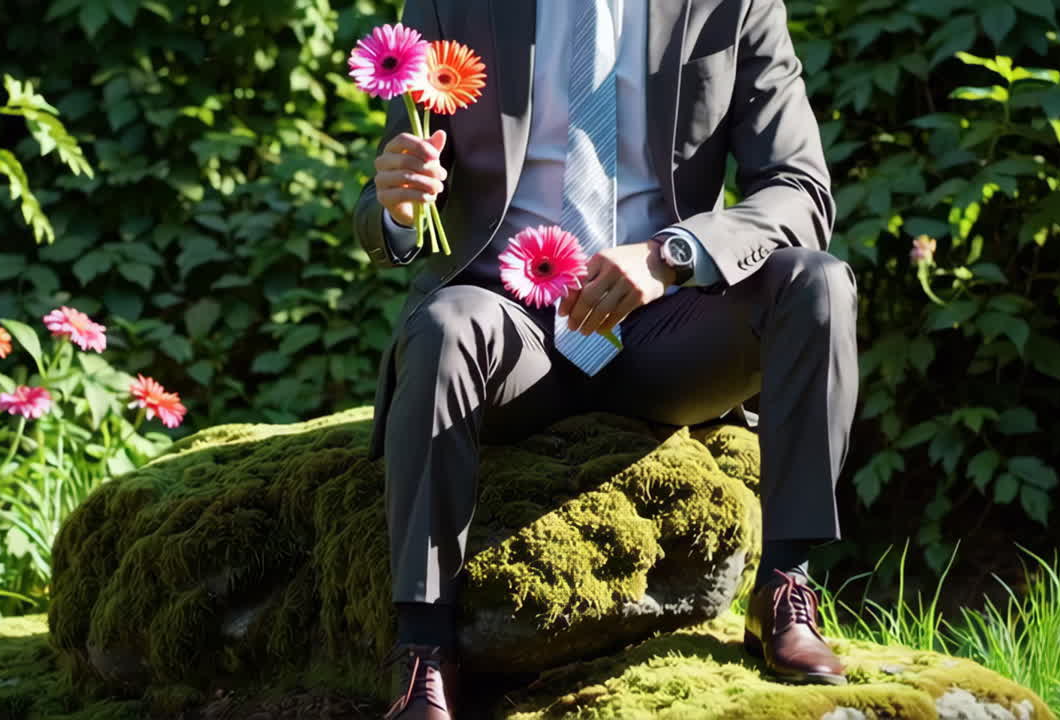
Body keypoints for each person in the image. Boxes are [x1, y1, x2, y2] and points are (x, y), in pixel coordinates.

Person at [353, 1, 858, 717]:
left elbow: (799, 190)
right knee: (442, 322)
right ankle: (423, 649)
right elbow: (385, 216)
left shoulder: (734, 6)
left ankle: (784, 587)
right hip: (509, 326)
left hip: (670, 328)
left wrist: (673, 254)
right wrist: (398, 209)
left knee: (819, 286)